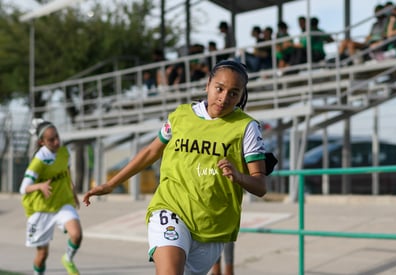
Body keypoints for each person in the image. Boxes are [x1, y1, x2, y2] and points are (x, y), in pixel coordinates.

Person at [83, 60, 268, 275]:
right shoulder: (181, 115)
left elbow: (260, 185)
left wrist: (239, 177)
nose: (224, 97)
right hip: (171, 208)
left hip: (213, 225)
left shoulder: (246, 127)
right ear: (207, 84)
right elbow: (151, 152)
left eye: (233, 93)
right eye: (219, 88)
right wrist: (111, 184)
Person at [20, 120, 82, 275]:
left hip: (62, 202)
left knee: (77, 235)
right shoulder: (39, 161)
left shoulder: (63, 152)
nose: (56, 142)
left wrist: (73, 193)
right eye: (51, 140)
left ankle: (67, 258)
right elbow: (23, 188)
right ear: (42, 142)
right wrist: (40, 186)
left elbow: (67, 172)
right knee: (42, 255)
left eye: (57, 137)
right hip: (41, 209)